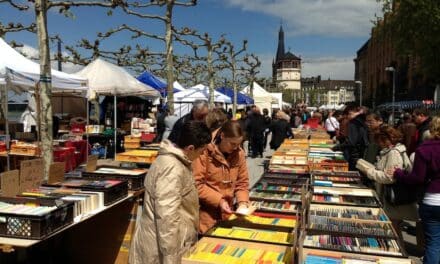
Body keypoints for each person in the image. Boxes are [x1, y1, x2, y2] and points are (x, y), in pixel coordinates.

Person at [129, 121, 212, 264]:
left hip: (164, 245)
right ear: (190, 148)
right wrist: (172, 259)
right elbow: (167, 217)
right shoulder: (172, 168)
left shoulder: (176, 162)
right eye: (201, 151)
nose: (202, 155)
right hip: (160, 251)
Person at [393, 116, 440, 264]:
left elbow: (417, 178)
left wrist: (399, 173)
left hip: (432, 200)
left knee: (433, 243)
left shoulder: (425, 149)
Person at [356, 125, 417, 238]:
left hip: (393, 197)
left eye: (379, 140)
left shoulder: (393, 153)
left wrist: (369, 171)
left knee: (392, 227)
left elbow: (389, 178)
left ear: (385, 139)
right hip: (392, 196)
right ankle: (399, 251)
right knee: (393, 226)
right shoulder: (393, 150)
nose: (379, 144)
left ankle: (400, 252)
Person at [192, 120, 250, 233]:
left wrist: (242, 203)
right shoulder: (204, 152)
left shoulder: (239, 153)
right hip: (206, 217)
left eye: (239, 144)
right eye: (232, 144)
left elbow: (242, 183)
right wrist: (220, 201)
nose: (236, 148)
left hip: (228, 214)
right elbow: (197, 184)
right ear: (222, 136)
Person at [333, 105, 369, 170]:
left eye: (350, 114)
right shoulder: (361, 121)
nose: (348, 116)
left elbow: (351, 142)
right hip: (362, 151)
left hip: (355, 153)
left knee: (352, 169)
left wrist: (337, 147)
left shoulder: (354, 123)